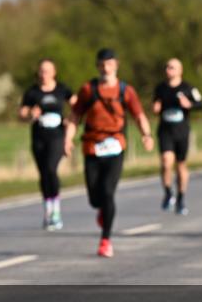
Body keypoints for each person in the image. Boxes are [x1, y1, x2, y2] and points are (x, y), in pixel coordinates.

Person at [64, 48, 153, 258]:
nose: (106, 68)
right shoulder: (88, 89)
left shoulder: (126, 91)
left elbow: (139, 115)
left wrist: (146, 135)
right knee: (95, 198)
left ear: (116, 65)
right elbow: (75, 116)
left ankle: (105, 240)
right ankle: (102, 210)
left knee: (108, 192)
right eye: (102, 65)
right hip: (92, 147)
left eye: (110, 64)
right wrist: (67, 139)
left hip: (115, 146)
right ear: (98, 66)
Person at [19, 59, 75, 230]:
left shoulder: (62, 89)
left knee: (51, 169)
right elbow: (22, 113)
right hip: (39, 137)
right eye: (42, 71)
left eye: (48, 71)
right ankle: (48, 210)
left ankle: (56, 211)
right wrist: (30, 113)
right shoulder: (32, 92)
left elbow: (78, 106)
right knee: (44, 173)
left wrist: (70, 120)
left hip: (57, 136)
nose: (44, 74)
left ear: (54, 72)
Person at [152, 58, 202, 215]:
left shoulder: (188, 88)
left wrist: (189, 104)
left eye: (172, 67)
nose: (168, 70)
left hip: (181, 131)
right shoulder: (160, 88)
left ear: (180, 70)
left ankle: (181, 198)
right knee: (166, 162)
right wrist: (156, 107)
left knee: (181, 166)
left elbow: (200, 103)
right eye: (167, 67)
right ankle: (168, 193)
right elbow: (155, 104)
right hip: (165, 130)